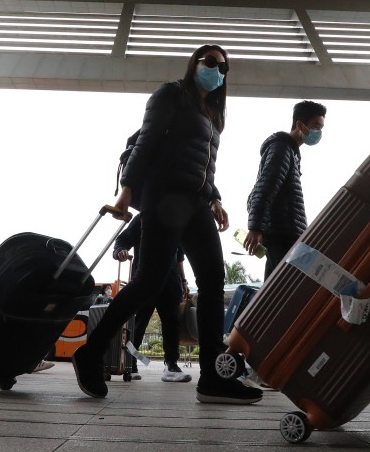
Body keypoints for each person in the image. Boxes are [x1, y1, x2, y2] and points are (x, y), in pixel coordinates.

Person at [72, 44, 262, 404]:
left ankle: (211, 380)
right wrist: (126, 192)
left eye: (224, 67)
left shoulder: (212, 113)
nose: (217, 70)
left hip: (196, 203)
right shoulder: (171, 94)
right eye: (210, 62)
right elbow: (146, 142)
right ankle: (91, 351)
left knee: (212, 281)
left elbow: (203, 164)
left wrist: (216, 198)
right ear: (195, 64)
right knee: (147, 283)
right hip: (164, 198)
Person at [243, 100, 327, 279]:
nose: (318, 133)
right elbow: (266, 186)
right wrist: (256, 227)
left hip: (284, 233)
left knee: (277, 288)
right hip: (280, 234)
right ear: (300, 125)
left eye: (321, 128)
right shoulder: (282, 148)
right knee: (279, 290)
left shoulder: (290, 151)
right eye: (316, 126)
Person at [112, 214, 191, 383]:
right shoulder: (143, 217)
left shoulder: (177, 220)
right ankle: (131, 363)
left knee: (171, 323)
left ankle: (171, 365)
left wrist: (183, 280)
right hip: (145, 279)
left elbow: (179, 256)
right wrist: (119, 251)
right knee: (139, 324)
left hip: (170, 282)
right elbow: (123, 239)